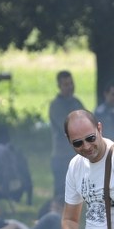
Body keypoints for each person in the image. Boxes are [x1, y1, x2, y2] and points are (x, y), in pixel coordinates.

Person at [49, 70, 85, 198]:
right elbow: (67, 127)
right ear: (59, 86)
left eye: (71, 83)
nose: (70, 87)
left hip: (77, 154)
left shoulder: (77, 102)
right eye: (66, 84)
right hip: (61, 155)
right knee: (61, 193)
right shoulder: (55, 106)